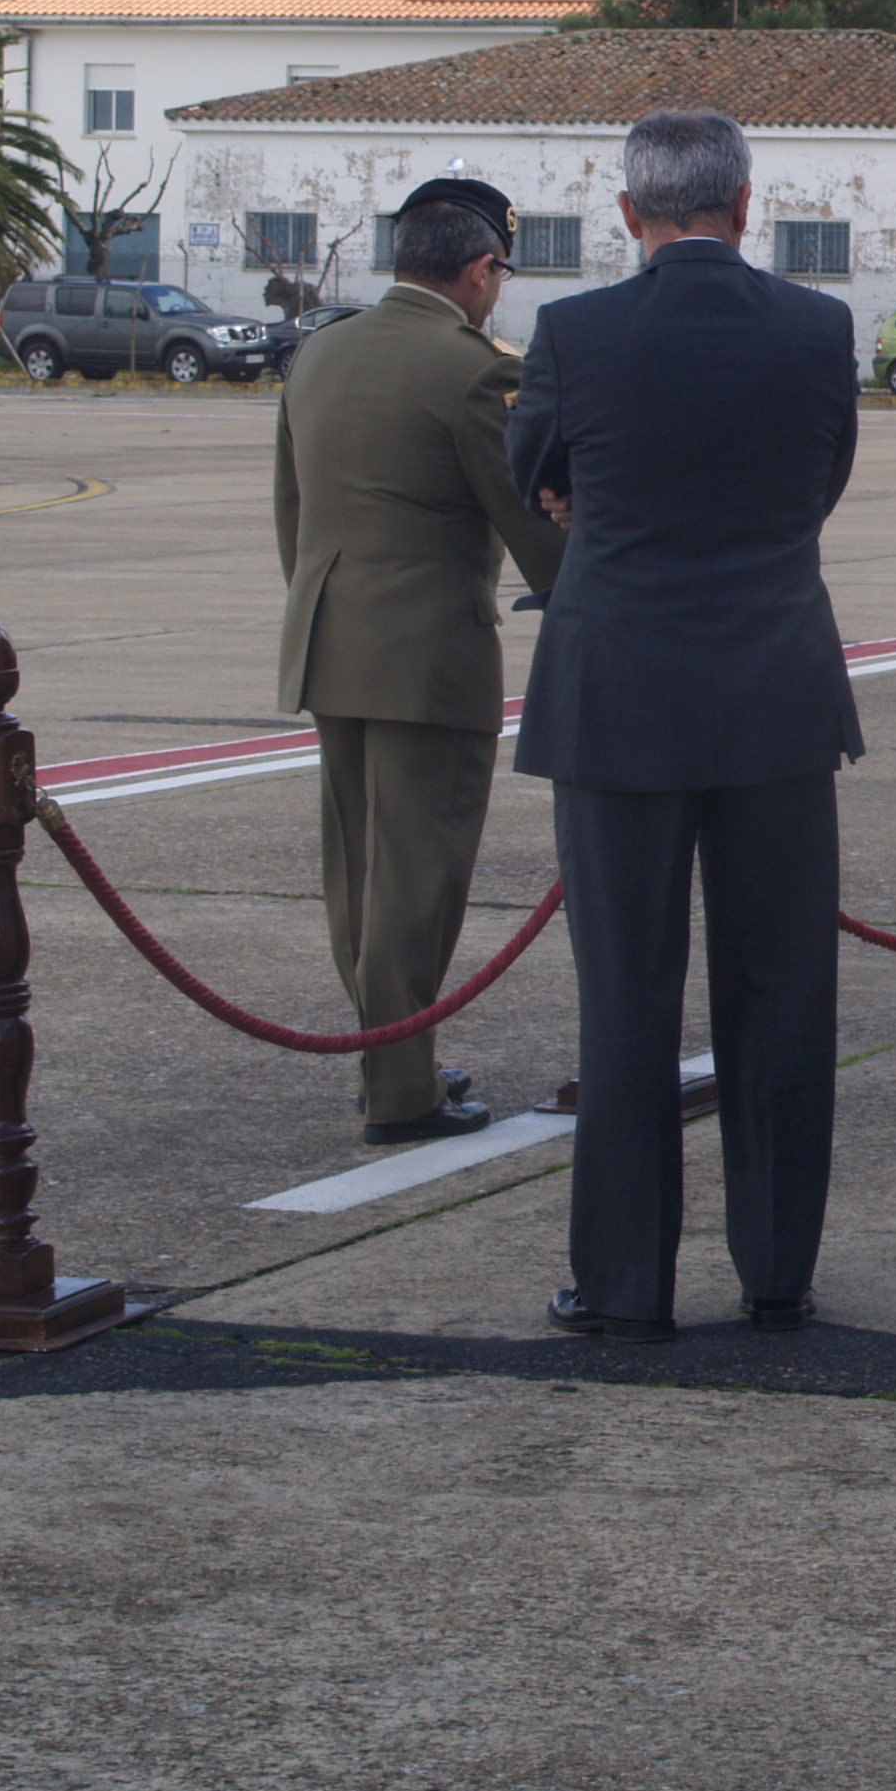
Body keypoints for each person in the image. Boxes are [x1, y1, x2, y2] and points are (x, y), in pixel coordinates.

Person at [512, 111, 863, 1341]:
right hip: (774, 691)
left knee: (626, 1004)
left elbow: (536, 480)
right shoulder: (820, 331)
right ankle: (776, 1267)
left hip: (618, 702)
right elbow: (822, 482)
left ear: (628, 214)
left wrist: (596, 503)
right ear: (746, 203)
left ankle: (624, 1283)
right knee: (781, 998)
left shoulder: (572, 332)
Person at [272, 175, 565, 1144]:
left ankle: (389, 1060)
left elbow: (293, 513)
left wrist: (329, 608)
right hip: (428, 655)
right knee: (416, 879)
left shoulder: (318, 353)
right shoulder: (473, 369)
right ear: (481, 272)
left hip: (329, 641)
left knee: (356, 875)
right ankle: (400, 1089)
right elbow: (525, 515)